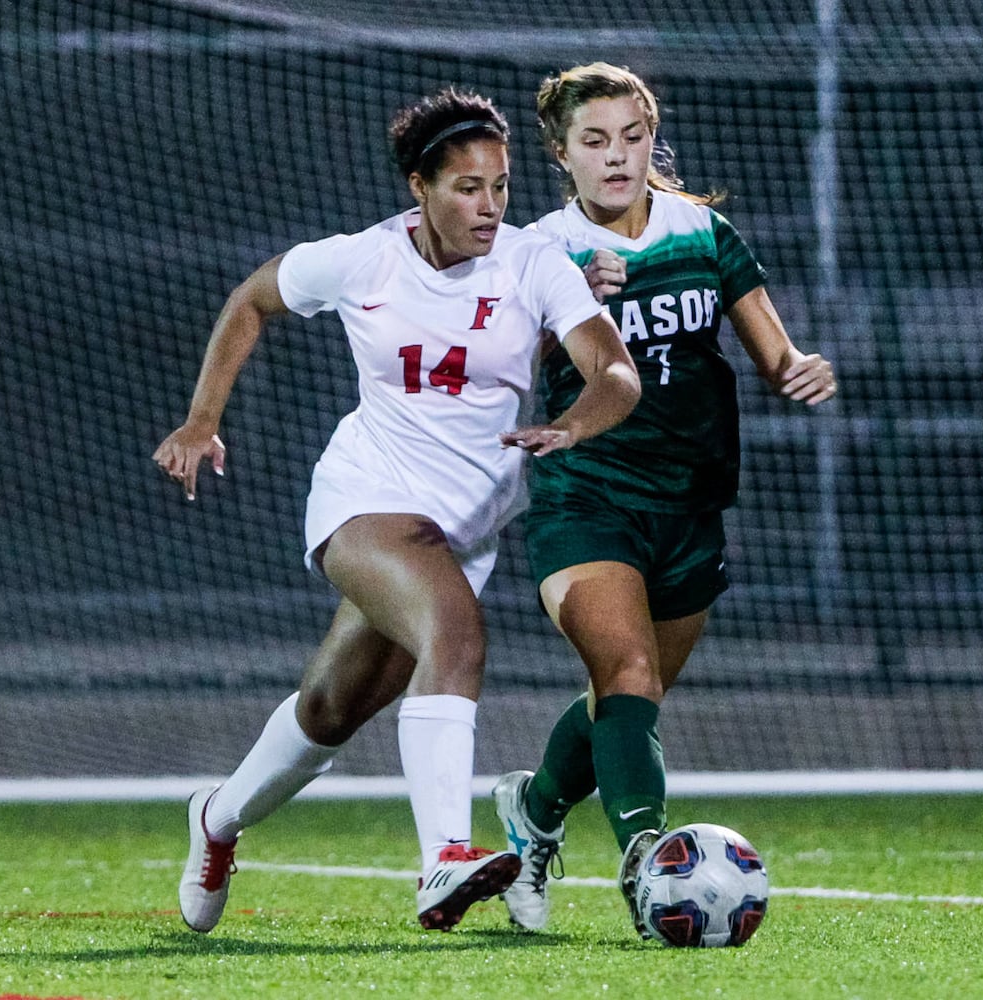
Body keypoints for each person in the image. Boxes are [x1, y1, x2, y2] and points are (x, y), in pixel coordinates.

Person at [152, 87, 640, 935]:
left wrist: (570, 425)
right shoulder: (361, 260)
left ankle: (217, 819)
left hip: (465, 528)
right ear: (420, 186)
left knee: (330, 711)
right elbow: (251, 301)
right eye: (466, 188)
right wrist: (202, 419)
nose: (488, 207)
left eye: (500, 186)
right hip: (369, 500)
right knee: (456, 635)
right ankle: (445, 856)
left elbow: (617, 374)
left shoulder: (533, 265)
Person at [491, 63, 838, 935]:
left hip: (690, 504)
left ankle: (534, 812)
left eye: (632, 137)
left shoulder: (703, 232)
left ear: (654, 138)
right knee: (627, 672)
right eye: (595, 141)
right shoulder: (539, 250)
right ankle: (647, 857)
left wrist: (800, 371)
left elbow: (772, 352)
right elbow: (502, 371)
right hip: (586, 494)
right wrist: (568, 308)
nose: (617, 157)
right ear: (560, 154)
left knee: (628, 698)